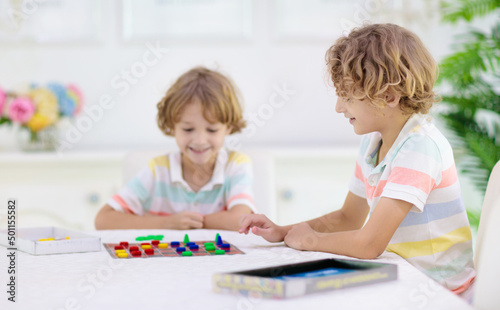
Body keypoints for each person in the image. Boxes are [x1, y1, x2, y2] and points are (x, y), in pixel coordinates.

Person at [239, 23, 475, 299]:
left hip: (439, 291)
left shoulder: (420, 148)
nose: (338, 107)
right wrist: (283, 231)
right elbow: (348, 218)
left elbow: (369, 244)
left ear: (388, 96)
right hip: (401, 277)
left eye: (348, 96)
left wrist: (312, 240)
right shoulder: (372, 143)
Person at [95, 66, 256, 231]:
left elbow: (241, 220)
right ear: (173, 127)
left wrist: (191, 222)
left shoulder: (235, 165)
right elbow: (103, 219)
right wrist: (167, 223)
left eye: (212, 130)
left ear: (228, 128)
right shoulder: (158, 170)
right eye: (188, 129)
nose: (200, 141)